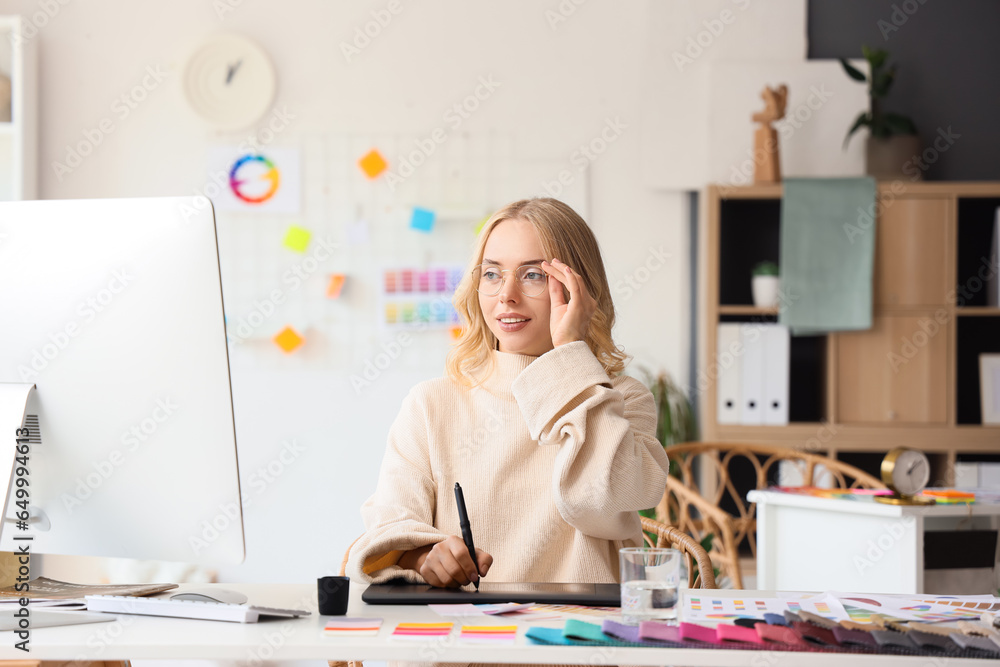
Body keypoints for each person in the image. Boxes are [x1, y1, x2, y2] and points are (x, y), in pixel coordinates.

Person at [347, 197, 669, 591]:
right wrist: (424, 556)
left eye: (533, 274)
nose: (506, 295)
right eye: (492, 274)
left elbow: (599, 500)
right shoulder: (430, 404)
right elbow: (390, 523)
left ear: (578, 288)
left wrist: (570, 354)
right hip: (461, 638)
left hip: (579, 638)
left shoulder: (619, 397)